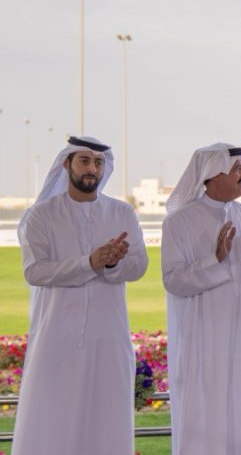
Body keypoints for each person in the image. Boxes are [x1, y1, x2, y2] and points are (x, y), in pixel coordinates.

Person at [14, 136, 148, 454]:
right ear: (66, 164)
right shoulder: (42, 216)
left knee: (107, 420)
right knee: (52, 419)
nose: (92, 169)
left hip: (109, 335)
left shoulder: (122, 213)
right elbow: (35, 271)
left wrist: (112, 262)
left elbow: (139, 264)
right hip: (56, 337)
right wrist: (90, 262)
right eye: (84, 161)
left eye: (98, 163)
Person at [161, 143, 241, 454]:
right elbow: (173, 280)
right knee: (208, 417)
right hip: (204, 342)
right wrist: (215, 259)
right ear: (214, 175)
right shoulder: (179, 222)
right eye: (237, 168)